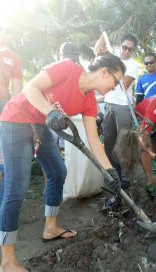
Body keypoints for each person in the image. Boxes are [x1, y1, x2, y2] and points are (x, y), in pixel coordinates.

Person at [0, 44, 125, 272]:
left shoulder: (89, 102)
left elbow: (94, 141)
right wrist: (51, 112)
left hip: (41, 125)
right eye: (115, 81)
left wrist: (110, 172)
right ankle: (7, 260)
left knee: (58, 172)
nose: (114, 87)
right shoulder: (68, 69)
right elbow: (30, 88)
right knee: (16, 188)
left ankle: (51, 227)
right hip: (15, 120)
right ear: (105, 71)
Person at [95, 34, 140, 188]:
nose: (126, 51)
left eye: (130, 49)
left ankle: (126, 178)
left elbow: (124, 84)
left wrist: (116, 65)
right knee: (108, 143)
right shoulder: (112, 59)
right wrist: (103, 35)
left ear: (133, 51)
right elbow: (98, 50)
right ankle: (114, 174)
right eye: (124, 47)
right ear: (120, 46)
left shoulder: (133, 65)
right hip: (108, 105)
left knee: (123, 144)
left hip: (123, 108)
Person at [0, 28, 22, 113]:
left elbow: (17, 88)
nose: (2, 33)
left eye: (6, 31)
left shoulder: (15, 58)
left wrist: (10, 109)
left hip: (2, 103)